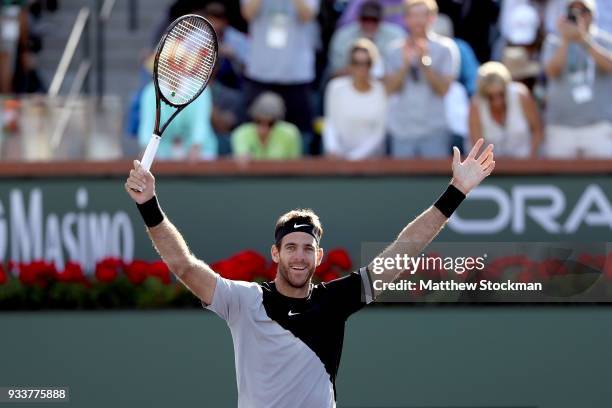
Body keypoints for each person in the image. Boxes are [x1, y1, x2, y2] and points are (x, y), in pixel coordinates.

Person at [124, 138, 496, 408]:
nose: (299, 257)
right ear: (276, 253)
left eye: (306, 249)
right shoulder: (245, 301)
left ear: (318, 255)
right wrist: (148, 204)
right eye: (291, 248)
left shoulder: (335, 300)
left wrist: (457, 190)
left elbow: (403, 252)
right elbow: (184, 266)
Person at [241, 0, 320, 152]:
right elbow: (248, 13)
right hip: (260, 73)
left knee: (300, 135)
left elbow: (307, 15)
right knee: (255, 131)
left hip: (296, 75)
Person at [384, 0, 460, 158]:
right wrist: (405, 65)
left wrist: (425, 64)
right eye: (413, 15)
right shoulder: (394, 50)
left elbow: (443, 90)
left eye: (423, 15)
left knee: (436, 182)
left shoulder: (446, 48)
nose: (418, 21)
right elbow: (389, 89)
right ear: (405, 19)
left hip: (434, 129)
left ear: (432, 18)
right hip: (402, 130)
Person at [542, 0, 612, 158]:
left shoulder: (605, 40)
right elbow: (552, 71)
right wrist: (567, 40)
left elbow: (610, 65)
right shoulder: (554, 42)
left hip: (598, 125)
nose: (578, 15)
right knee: (560, 178)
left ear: (593, 15)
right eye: (573, 11)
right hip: (561, 126)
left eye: (584, 11)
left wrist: (583, 39)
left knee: (603, 179)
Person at [323, 39, 387, 160]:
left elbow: (379, 132)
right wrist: (333, 149)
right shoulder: (335, 87)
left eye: (366, 63)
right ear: (349, 65)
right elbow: (330, 122)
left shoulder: (381, 91)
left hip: (372, 163)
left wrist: (354, 158)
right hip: (339, 160)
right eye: (356, 63)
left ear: (372, 65)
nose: (361, 68)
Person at [469, 62, 543, 159]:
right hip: (491, 170)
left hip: (526, 164)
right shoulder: (476, 106)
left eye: (501, 94)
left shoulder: (521, 96)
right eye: (491, 97)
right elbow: (476, 147)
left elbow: (537, 130)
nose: (497, 101)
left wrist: (531, 159)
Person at [328, 0, 404, 78]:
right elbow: (336, 70)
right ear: (358, 18)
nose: (369, 24)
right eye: (365, 19)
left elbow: (399, 69)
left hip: (385, 84)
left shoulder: (396, 35)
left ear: (381, 20)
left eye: (374, 20)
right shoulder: (343, 35)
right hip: (351, 82)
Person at [231, 92, 301, 160]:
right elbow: (240, 161)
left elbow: (295, 164)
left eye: (271, 123)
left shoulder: (290, 133)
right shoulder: (241, 133)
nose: (264, 127)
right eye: (259, 121)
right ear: (254, 118)